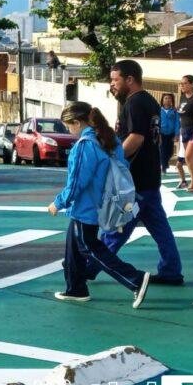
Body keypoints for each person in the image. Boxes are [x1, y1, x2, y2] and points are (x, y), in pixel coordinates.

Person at [49, 102, 150, 308]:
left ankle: (135, 279)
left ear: (77, 123)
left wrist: (58, 203)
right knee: (74, 250)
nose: (70, 131)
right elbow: (122, 165)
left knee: (90, 248)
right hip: (101, 205)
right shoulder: (108, 139)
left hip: (85, 207)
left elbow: (77, 182)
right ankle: (76, 288)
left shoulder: (85, 145)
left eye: (69, 126)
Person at [100, 60, 183, 286]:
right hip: (149, 176)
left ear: (129, 79)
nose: (112, 85)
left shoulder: (134, 103)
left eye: (115, 79)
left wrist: (113, 162)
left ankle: (87, 267)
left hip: (134, 178)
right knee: (159, 227)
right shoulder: (149, 101)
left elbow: (136, 137)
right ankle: (171, 270)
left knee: (118, 227)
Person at [175, 75, 193, 189]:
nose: (181, 85)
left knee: (190, 158)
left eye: (184, 83)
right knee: (186, 159)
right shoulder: (183, 97)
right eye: (181, 83)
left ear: (192, 84)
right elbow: (180, 111)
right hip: (183, 129)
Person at [159, 93, 179, 174]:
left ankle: (165, 164)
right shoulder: (158, 110)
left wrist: (177, 134)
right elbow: (157, 122)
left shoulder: (174, 111)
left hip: (171, 134)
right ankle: (163, 167)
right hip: (161, 134)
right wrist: (158, 134)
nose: (168, 100)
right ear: (162, 100)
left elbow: (177, 122)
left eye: (169, 98)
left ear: (172, 100)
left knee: (170, 151)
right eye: (166, 98)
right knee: (162, 150)